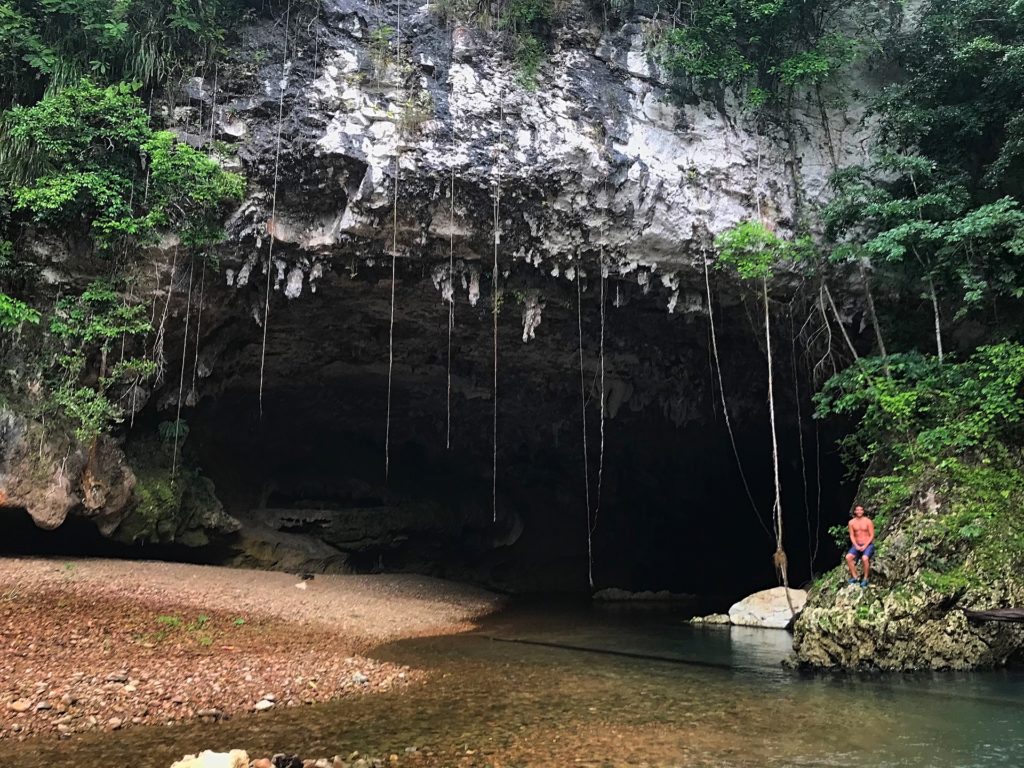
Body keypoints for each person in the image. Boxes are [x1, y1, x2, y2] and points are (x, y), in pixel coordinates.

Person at [845, 504, 875, 587]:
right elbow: (851, 535)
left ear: (863, 511)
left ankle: (865, 579)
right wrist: (856, 545)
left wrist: (865, 545)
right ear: (855, 511)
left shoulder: (868, 521)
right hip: (857, 545)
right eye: (857, 510)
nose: (859, 511)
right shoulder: (851, 522)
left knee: (864, 558)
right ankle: (855, 577)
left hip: (867, 545)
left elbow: (872, 535)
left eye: (861, 510)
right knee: (848, 557)